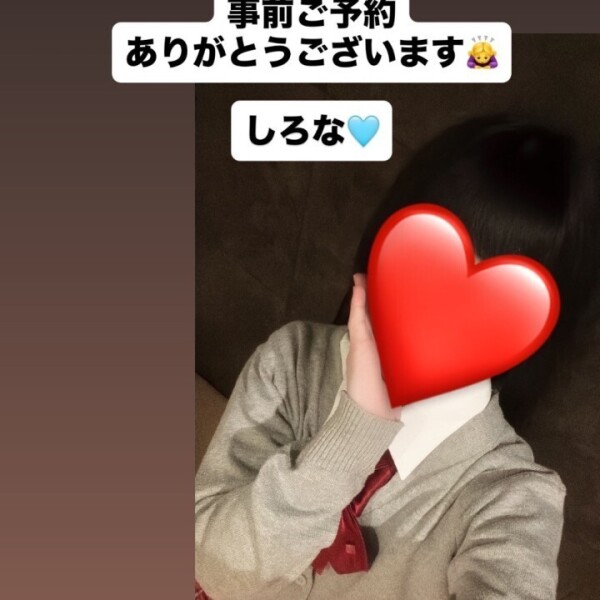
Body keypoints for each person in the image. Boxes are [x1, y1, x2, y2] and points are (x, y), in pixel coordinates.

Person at [194, 115, 600, 600]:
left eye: (498, 302)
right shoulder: (292, 361)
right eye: (425, 257)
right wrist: (351, 436)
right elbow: (210, 568)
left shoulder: (512, 499)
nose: (440, 309)